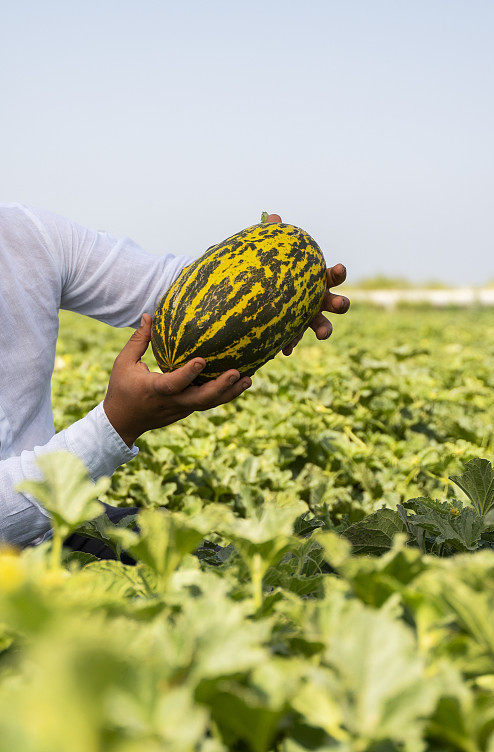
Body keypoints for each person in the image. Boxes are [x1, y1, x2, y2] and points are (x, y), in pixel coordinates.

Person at [0, 202, 349, 557]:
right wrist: (117, 424)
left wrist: (262, 276)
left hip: (57, 527)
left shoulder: (24, 233)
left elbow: (169, 285)